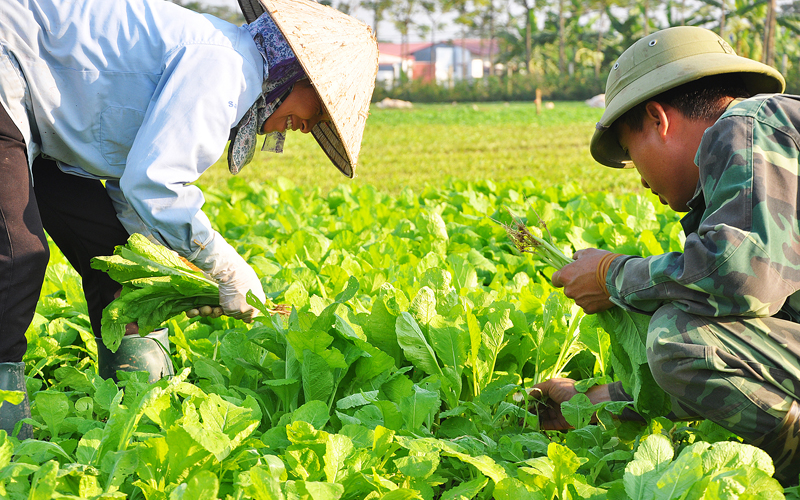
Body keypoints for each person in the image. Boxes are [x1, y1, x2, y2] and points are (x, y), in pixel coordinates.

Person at [0, 0, 377, 437]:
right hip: (11, 69)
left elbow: (132, 193)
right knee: (17, 256)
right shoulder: (223, 68)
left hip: (44, 115)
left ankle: (135, 414)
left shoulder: (229, 68)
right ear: (297, 74)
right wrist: (226, 268)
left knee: (116, 257)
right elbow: (156, 185)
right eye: (322, 110)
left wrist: (176, 275)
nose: (310, 128)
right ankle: (8, 441)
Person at [530, 26, 800, 485]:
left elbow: (739, 277)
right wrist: (597, 401)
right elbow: (745, 351)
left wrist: (610, 273)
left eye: (632, 156)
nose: (638, 179)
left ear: (659, 118)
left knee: (675, 334)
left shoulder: (747, 124)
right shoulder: (767, 146)